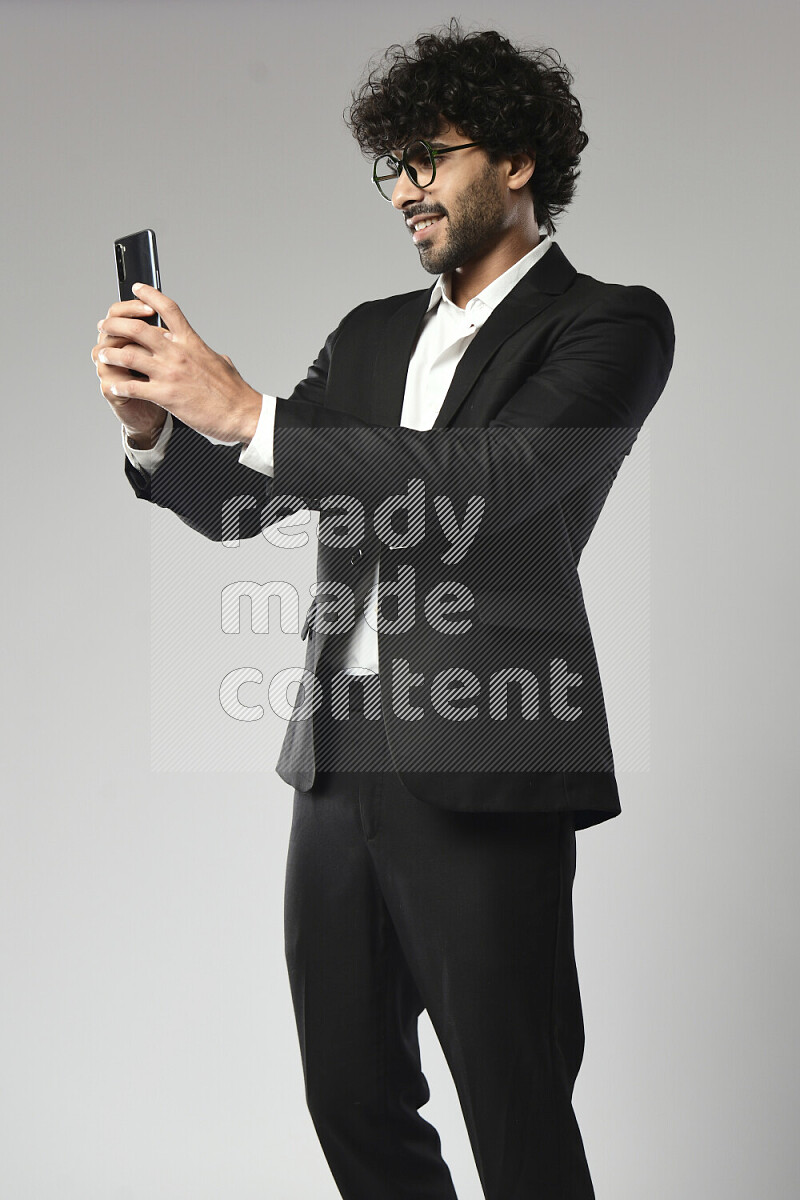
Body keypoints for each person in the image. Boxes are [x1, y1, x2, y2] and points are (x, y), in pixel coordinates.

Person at [92, 21, 675, 1200]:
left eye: (429, 157)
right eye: (390, 165)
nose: (404, 188)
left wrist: (246, 408)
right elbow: (251, 503)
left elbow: (493, 493)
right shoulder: (370, 335)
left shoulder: (608, 324)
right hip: (338, 760)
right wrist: (157, 433)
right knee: (348, 1095)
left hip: (486, 750)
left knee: (511, 1109)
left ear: (514, 161)